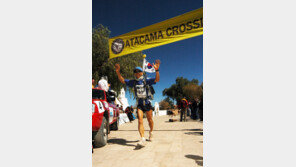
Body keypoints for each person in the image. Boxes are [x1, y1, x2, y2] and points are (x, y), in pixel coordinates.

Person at [115, 60, 160, 147]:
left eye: (138, 71)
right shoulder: (133, 82)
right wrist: (118, 72)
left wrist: (157, 70)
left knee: (150, 120)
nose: (137, 73)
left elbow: (157, 80)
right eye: (135, 72)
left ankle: (151, 132)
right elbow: (123, 80)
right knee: (140, 120)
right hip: (139, 103)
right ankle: (142, 138)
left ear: (142, 72)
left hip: (147, 103)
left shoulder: (146, 80)